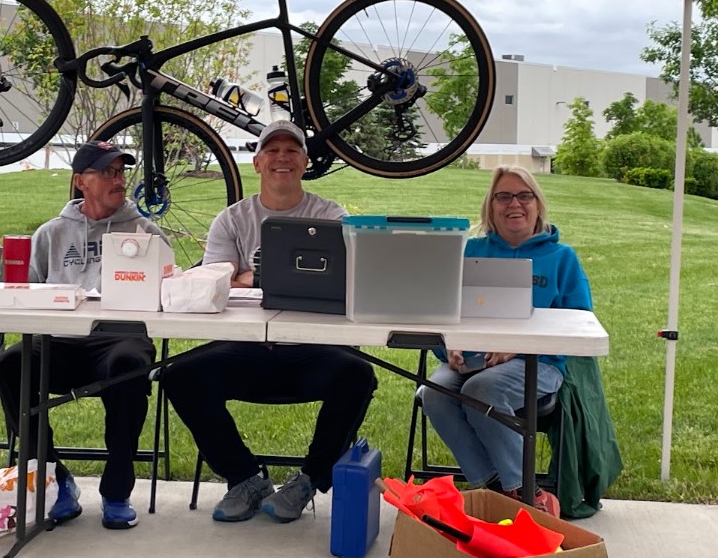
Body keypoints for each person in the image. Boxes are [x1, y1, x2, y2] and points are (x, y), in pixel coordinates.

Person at [163, 120, 378, 524]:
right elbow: (214, 280)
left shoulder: (331, 215)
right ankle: (244, 478)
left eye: (292, 150)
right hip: (244, 346)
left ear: (305, 162)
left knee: (358, 375)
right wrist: (286, 278)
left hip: (311, 347)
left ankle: (309, 481)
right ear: (258, 163)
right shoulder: (232, 219)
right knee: (179, 376)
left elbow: (347, 278)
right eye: (273, 151)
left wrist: (250, 276)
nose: (283, 158)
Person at [0, 141, 169, 530]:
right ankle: (55, 481)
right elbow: (23, 295)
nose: (118, 179)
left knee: (130, 365)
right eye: (107, 172)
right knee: (9, 364)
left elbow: (171, 290)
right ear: (80, 182)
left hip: (121, 335)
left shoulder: (145, 230)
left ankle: (117, 489)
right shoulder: (51, 234)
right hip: (61, 338)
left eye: (121, 171)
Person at [420, 165, 593, 518]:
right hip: (470, 359)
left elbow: (579, 325)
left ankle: (520, 490)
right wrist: (448, 346)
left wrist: (520, 346)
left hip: (538, 363)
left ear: (537, 204)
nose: (514, 204)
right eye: (504, 196)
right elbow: (441, 311)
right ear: (491, 205)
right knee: (432, 393)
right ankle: (501, 490)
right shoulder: (468, 251)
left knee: (482, 390)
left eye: (524, 195)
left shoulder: (562, 259)